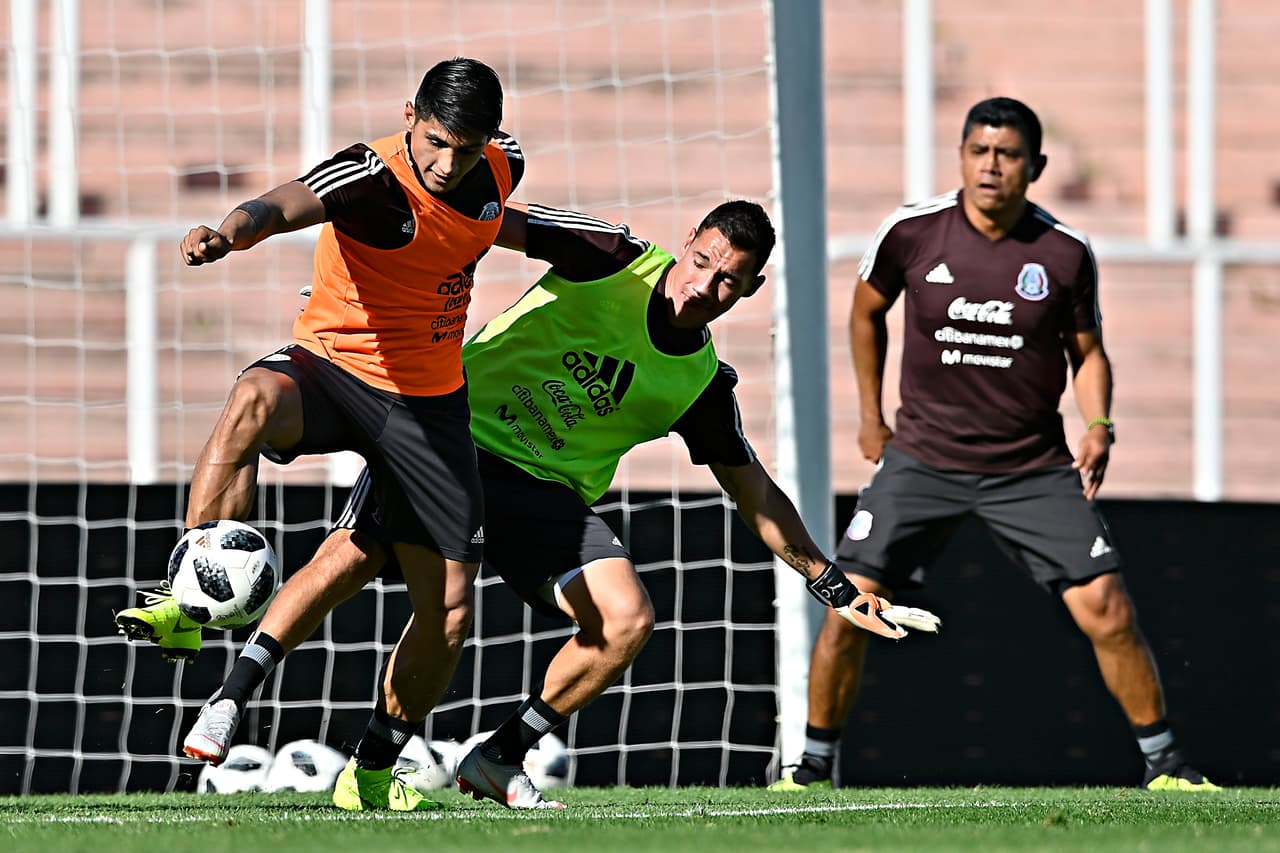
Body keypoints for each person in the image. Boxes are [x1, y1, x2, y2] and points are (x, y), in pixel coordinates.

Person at [174, 199, 942, 811]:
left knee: (626, 619)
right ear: (687, 243)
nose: (704, 285)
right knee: (350, 556)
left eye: (727, 281)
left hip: (548, 496)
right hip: (454, 437)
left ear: (751, 290)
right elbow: (482, 219)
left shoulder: (703, 383)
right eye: (702, 261)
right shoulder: (611, 258)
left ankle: (487, 755)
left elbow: (753, 490)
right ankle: (230, 698)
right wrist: (387, 281)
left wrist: (828, 580)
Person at [769, 97, 1217, 793]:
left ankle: (1166, 764)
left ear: (1034, 167)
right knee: (851, 599)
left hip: (1030, 467)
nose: (990, 166)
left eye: (1007, 155)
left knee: (1106, 604)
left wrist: (1099, 424)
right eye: (978, 150)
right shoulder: (913, 232)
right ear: (961, 156)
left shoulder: (1065, 252)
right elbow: (865, 313)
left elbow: (1089, 352)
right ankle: (812, 767)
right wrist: (868, 414)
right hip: (920, 457)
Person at [114, 57, 523, 808]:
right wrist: (225, 235)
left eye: (467, 147)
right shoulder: (367, 176)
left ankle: (372, 765)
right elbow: (276, 207)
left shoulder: (505, 166)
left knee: (452, 610)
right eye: (436, 141)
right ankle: (188, 596)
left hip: (428, 406)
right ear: (410, 116)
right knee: (253, 398)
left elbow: (487, 225)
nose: (448, 161)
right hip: (333, 367)